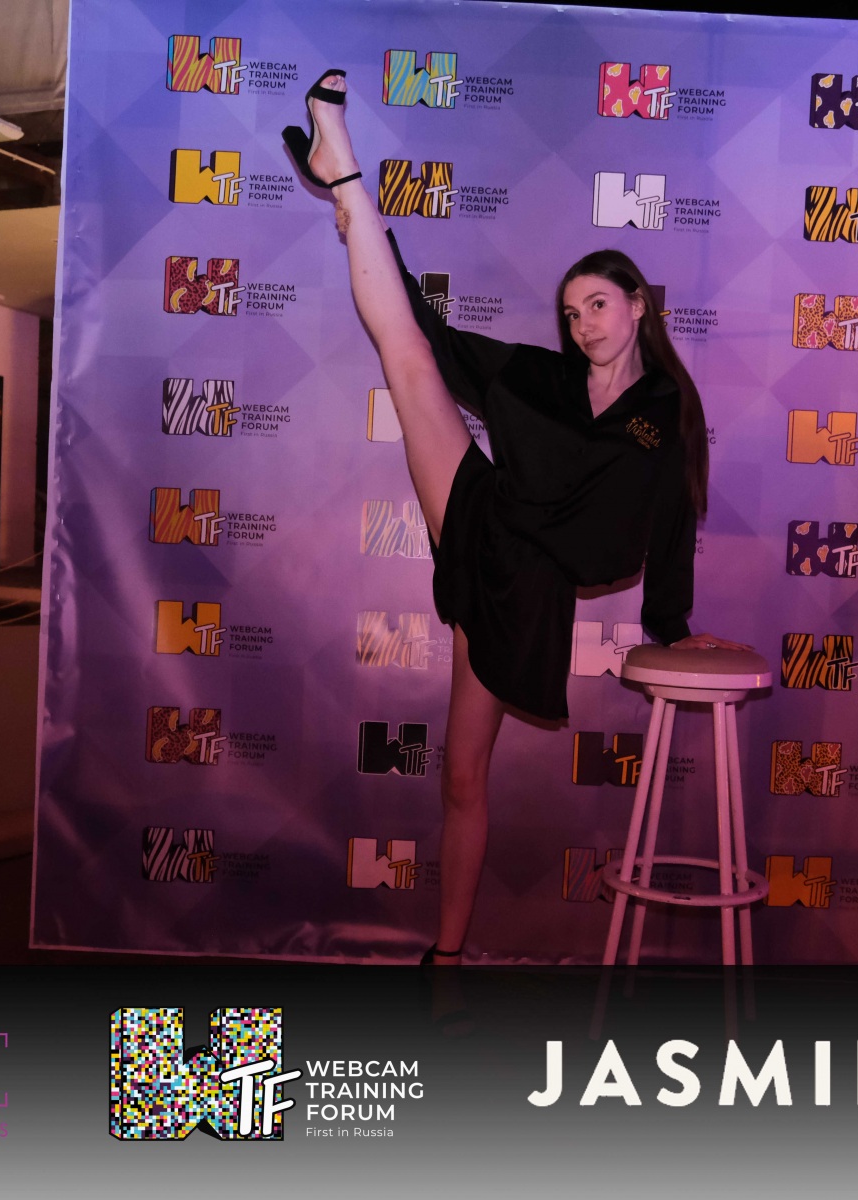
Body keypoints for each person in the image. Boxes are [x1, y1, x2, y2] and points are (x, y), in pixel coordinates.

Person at [285, 70, 747, 965]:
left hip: (530, 589)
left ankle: (448, 952)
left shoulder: (665, 410)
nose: (584, 324)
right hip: (484, 516)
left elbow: (670, 521)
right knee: (408, 353)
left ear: (639, 305)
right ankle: (344, 176)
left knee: (463, 777)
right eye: (572, 313)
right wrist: (377, 250)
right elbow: (444, 340)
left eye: (599, 305)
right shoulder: (546, 377)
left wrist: (674, 625)